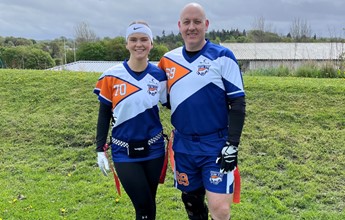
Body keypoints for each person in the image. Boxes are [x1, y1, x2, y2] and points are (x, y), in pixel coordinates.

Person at [158, 3, 246, 220]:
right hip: (183, 145)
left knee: (220, 209)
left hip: (215, 144)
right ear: (179, 26)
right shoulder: (167, 61)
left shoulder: (223, 56)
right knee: (192, 204)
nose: (192, 27)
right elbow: (160, 99)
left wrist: (232, 145)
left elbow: (238, 103)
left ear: (206, 25)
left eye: (197, 22)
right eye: (187, 22)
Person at [94, 21, 168, 220]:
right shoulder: (110, 76)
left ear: (151, 43)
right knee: (144, 206)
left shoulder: (159, 76)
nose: (139, 44)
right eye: (133, 40)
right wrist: (100, 148)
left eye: (144, 39)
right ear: (126, 43)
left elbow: (171, 105)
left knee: (148, 205)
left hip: (154, 150)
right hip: (123, 151)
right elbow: (104, 114)